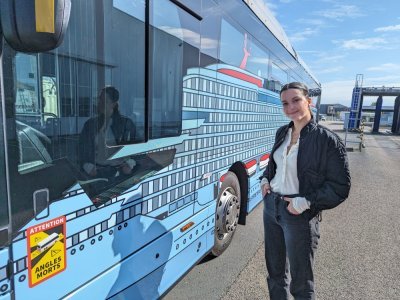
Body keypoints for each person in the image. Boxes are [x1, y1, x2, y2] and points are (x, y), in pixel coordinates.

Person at [259, 82, 351, 300]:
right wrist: (264, 180)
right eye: (285, 103)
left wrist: (304, 202)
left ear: (309, 101)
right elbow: (275, 165)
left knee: (301, 282)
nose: (290, 107)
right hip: (272, 208)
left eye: (296, 100)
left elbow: (340, 187)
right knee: (275, 273)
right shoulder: (283, 132)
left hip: (298, 214)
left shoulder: (326, 140)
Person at [79, 86, 136, 179]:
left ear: (113, 104)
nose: (100, 104)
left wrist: (130, 164)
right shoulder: (90, 124)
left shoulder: (126, 123)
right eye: (99, 100)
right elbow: (82, 149)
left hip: (120, 172)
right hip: (97, 172)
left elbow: (135, 148)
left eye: (104, 101)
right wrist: (89, 167)